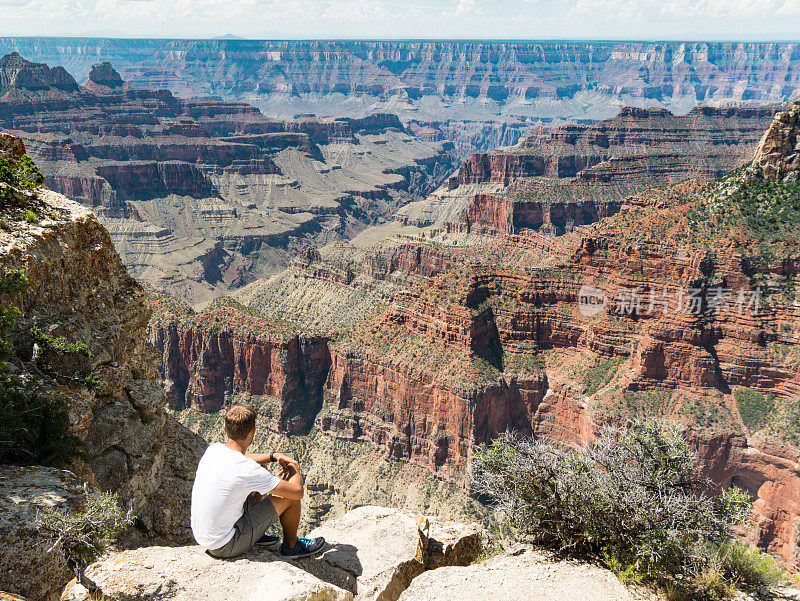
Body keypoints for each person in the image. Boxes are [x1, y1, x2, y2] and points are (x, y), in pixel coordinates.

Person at [190, 403, 325, 559]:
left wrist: (274, 456)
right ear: (253, 431)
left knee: (259, 468)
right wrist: (294, 468)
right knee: (288, 497)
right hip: (226, 545)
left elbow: (242, 460)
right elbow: (297, 492)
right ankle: (292, 547)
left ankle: (256, 535)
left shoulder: (214, 449)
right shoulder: (247, 470)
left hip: (205, 537)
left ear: (225, 429)